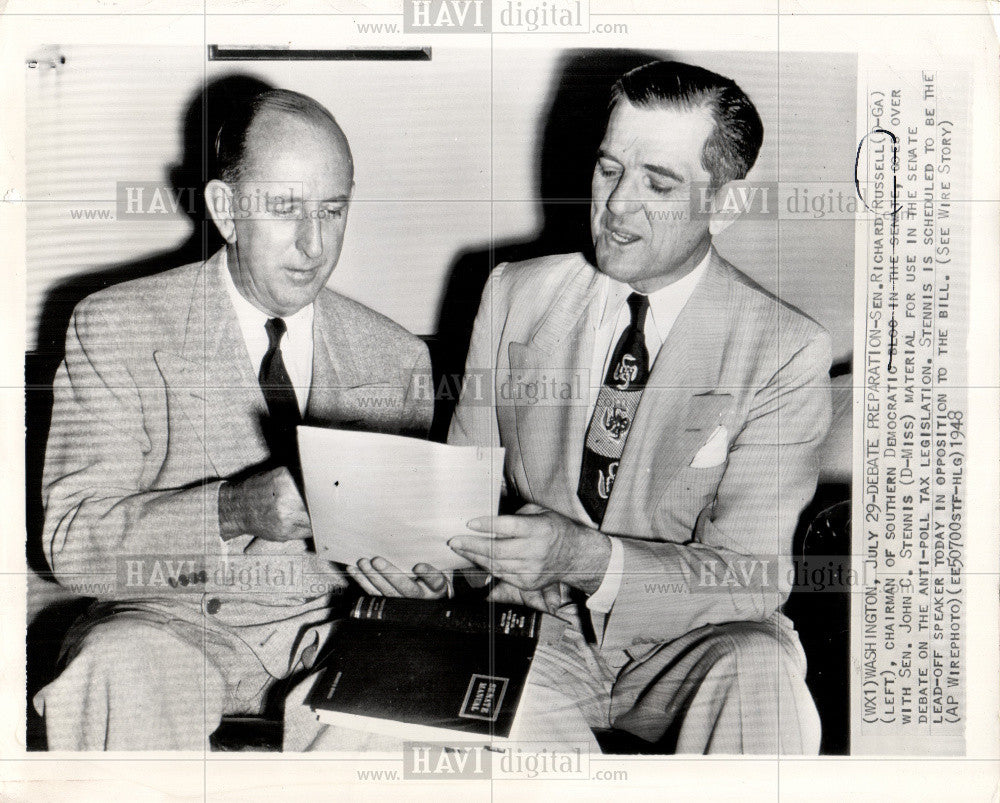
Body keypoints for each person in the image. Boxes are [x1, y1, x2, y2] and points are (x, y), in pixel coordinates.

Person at [349, 60, 831, 753]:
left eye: (657, 183)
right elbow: (461, 499)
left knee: (761, 671)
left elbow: (751, 575)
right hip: (534, 634)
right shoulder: (514, 293)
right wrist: (440, 566)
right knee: (475, 699)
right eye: (609, 170)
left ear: (725, 203)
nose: (617, 205)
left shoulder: (784, 349)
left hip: (692, 640)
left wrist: (588, 561)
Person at [34, 89, 433, 750]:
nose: (314, 243)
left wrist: (423, 577)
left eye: (333, 210)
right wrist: (232, 509)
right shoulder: (117, 324)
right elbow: (73, 546)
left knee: (403, 695)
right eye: (285, 209)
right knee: (120, 666)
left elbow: (416, 560)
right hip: (167, 624)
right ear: (225, 209)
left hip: (332, 635)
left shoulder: (398, 357)